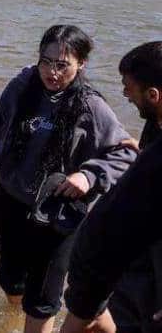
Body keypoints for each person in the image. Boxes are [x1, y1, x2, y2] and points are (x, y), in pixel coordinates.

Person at [0, 25, 136, 333]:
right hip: (11, 200)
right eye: (46, 61)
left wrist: (89, 175)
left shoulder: (91, 106)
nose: (51, 72)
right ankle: (22, 317)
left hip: (58, 213)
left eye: (62, 65)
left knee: (43, 297)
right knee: (10, 276)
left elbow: (127, 154)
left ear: (81, 64)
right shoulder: (21, 86)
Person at [61, 42, 162, 333]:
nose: (125, 94)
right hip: (121, 274)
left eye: (129, 89)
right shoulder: (155, 126)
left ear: (154, 95)